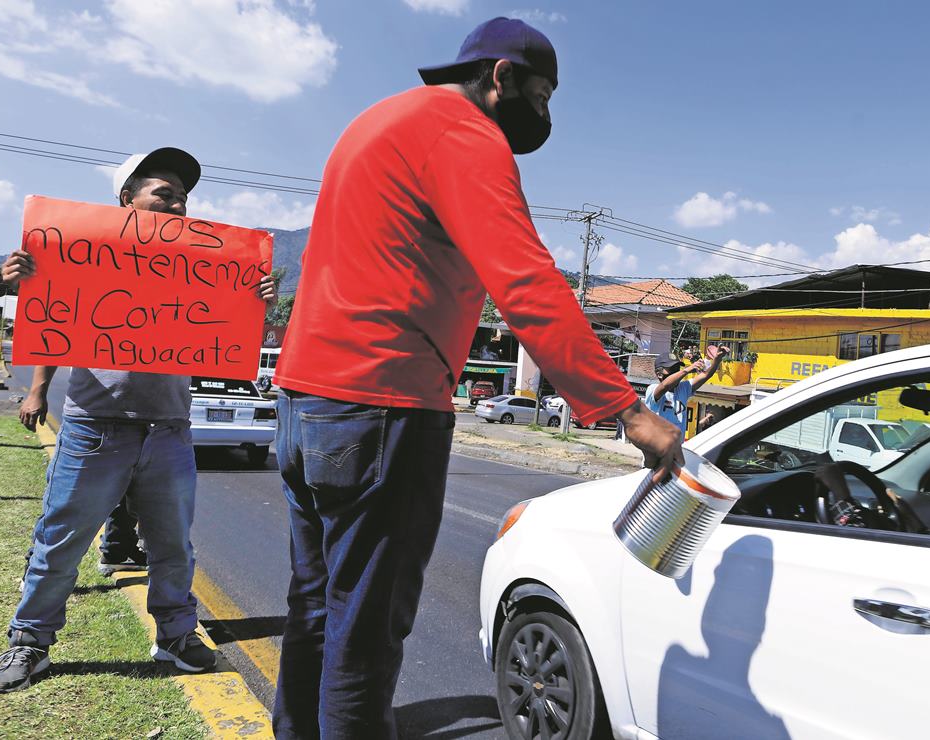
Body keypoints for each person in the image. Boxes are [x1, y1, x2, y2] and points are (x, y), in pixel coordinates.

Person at [268, 17, 683, 738]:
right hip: (382, 404)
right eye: (542, 94)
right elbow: (525, 281)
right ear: (501, 77)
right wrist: (627, 410)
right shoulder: (462, 133)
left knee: (318, 604)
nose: (544, 114)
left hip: (307, 401)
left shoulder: (379, 120)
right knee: (366, 625)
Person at [0, 148, 277, 694]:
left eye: (182, 198)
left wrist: (256, 298)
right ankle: (29, 642)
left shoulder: (201, 266)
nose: (176, 204)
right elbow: (54, 320)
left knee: (172, 546)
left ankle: (175, 636)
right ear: (127, 200)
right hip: (95, 426)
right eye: (162, 194)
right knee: (60, 541)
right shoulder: (81, 253)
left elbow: (232, 341)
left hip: (168, 429)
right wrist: (23, 282)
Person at [646, 345, 727, 433]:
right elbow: (665, 385)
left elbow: (706, 375)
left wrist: (717, 359)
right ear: (659, 374)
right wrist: (687, 370)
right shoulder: (652, 389)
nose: (676, 371)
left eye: (677, 368)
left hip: (677, 445)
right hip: (657, 445)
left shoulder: (683, 387)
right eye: (672, 369)